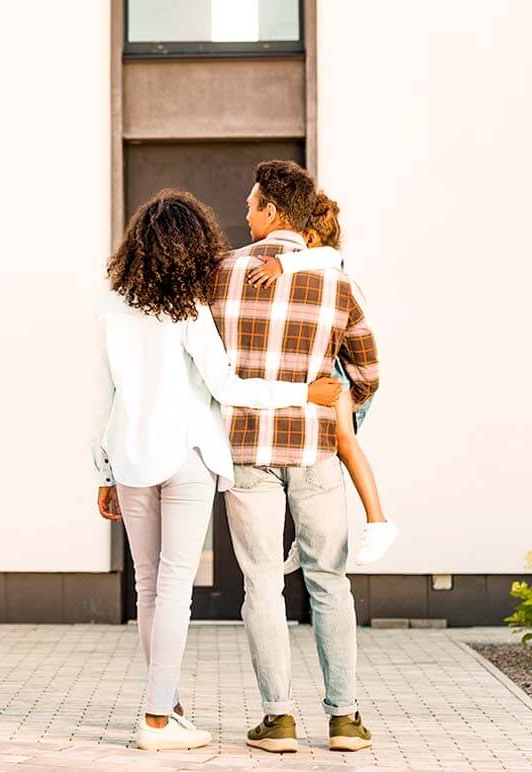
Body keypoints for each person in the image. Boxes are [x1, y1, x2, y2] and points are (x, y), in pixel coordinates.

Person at [91, 188, 342, 751]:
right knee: (176, 587)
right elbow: (227, 387)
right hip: (186, 457)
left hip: (129, 459)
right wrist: (302, 390)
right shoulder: (189, 311)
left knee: (148, 586)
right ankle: (158, 719)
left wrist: (104, 470)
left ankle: (166, 704)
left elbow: (98, 399)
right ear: (193, 246)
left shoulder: (110, 307)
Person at [210, 161, 381, 754]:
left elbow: (203, 370)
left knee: (261, 585)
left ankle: (278, 720)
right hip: (314, 451)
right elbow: (368, 371)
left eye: (253, 204)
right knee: (330, 581)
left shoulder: (220, 276)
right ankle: (344, 720)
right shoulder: (338, 284)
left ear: (274, 213)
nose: (246, 214)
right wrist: (343, 416)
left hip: (246, 450)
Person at [245, 192, 398, 570]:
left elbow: (326, 257)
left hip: (338, 376)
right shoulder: (319, 267)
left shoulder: (328, 265)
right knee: (325, 462)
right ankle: (306, 536)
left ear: (308, 237)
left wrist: (281, 264)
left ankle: (379, 522)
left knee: (343, 444)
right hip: (330, 375)